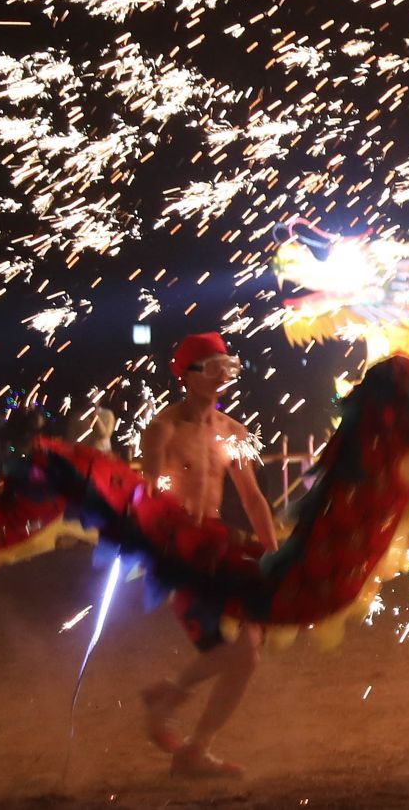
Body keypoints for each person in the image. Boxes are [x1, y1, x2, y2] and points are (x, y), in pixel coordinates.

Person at [136, 332, 278, 780]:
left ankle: (191, 739)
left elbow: (252, 498)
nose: (222, 376)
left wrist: (273, 553)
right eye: (212, 368)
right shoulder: (163, 429)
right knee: (235, 652)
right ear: (187, 375)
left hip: (217, 544)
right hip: (180, 548)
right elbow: (148, 496)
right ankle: (175, 710)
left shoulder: (233, 432)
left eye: (226, 367)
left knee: (247, 652)